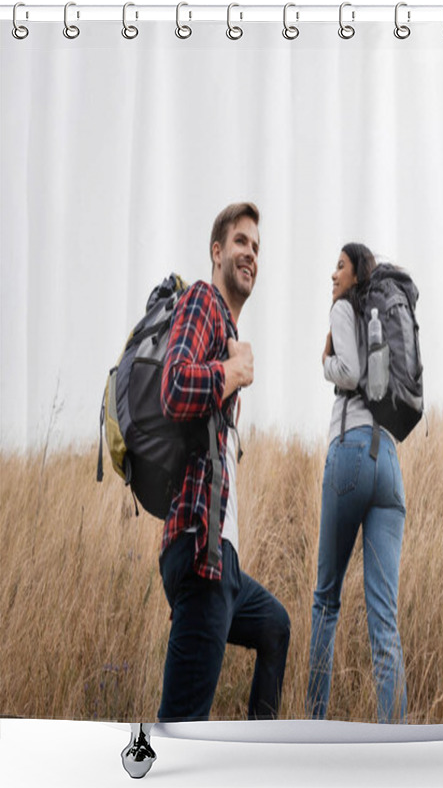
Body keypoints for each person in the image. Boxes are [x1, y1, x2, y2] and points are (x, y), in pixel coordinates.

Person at [157, 202, 290, 722]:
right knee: (181, 731)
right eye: (240, 242)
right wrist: (232, 373)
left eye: (256, 247)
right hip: (199, 552)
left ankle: (258, 756)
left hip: (222, 561)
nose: (250, 254)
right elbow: (174, 388)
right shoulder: (201, 302)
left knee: (274, 625)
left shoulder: (225, 329)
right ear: (217, 252)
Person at [306, 242, 408, 723]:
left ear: (355, 274)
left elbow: (346, 372)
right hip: (388, 461)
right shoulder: (381, 320)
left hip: (350, 451)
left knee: (326, 600)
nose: (333, 274)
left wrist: (323, 361)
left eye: (339, 266)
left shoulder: (345, 308)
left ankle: (314, 724)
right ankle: (398, 737)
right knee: (384, 620)